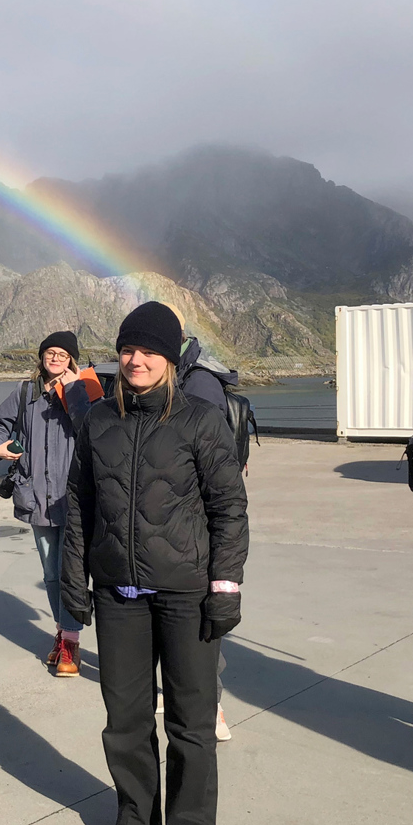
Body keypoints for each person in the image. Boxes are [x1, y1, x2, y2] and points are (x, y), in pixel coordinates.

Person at [61, 302, 248, 825]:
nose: (136, 360)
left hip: (186, 594)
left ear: (169, 358)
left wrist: (224, 586)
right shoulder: (97, 420)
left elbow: (228, 507)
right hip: (119, 592)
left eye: (148, 351)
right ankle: (136, 821)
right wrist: (74, 579)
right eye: (128, 349)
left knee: (191, 721)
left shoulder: (199, 419)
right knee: (125, 718)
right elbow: (78, 504)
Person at [0, 331, 96, 676]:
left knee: (70, 572)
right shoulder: (25, 392)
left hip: (74, 496)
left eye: (63, 354)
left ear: (72, 359)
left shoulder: (86, 389)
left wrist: (75, 391)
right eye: (51, 352)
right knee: (51, 574)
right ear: (42, 356)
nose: (56, 359)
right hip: (36, 496)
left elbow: (94, 430)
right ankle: (63, 634)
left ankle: (71, 643)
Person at [174, 307, 240, 743]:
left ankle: (212, 706)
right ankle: (187, 694)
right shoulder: (174, 374)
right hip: (166, 522)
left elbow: (217, 476)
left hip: (193, 523)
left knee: (200, 620)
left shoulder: (197, 382)